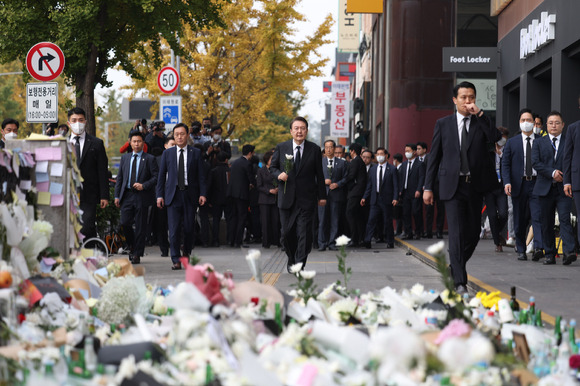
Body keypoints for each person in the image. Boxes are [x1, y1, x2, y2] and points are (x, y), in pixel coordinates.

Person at [424, 81, 501, 294]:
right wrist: (427, 187)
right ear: (455, 100)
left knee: (474, 233)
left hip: (474, 186)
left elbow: (495, 138)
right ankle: (460, 281)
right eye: (464, 97)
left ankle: (453, 268)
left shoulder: (480, 122)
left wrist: (481, 114)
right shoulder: (443, 124)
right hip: (452, 186)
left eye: (472, 97)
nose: (468, 101)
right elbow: (434, 157)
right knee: (456, 234)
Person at [270, 116, 326, 272]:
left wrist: (322, 196)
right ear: (291, 131)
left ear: (306, 131)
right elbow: (272, 168)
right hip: (286, 198)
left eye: (302, 128)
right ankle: (292, 258)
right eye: (296, 128)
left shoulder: (314, 149)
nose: (299, 131)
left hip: (306, 199)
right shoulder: (282, 147)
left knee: (304, 234)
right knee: (287, 234)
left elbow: (319, 174)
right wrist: (279, 175)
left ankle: (299, 263)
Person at [156, 123, 207, 270]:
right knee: (174, 229)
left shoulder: (195, 153)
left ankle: (186, 252)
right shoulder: (168, 153)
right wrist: (159, 195)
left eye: (182, 134)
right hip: (173, 195)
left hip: (190, 195)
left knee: (189, 228)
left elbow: (201, 176)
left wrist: (203, 194)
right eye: (176, 134)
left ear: (187, 135)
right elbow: (161, 177)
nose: (179, 137)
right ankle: (176, 259)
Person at [532, 111, 576, 265]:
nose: (554, 126)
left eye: (557, 123)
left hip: (563, 188)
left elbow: (571, 160)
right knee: (546, 222)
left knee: (564, 219)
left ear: (563, 125)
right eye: (551, 123)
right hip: (544, 188)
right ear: (546, 125)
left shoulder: (568, 141)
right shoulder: (538, 142)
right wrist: (552, 173)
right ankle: (549, 253)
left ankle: (569, 252)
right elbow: (536, 163)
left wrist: (564, 177)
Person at [502, 109, 544, 261]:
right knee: (519, 219)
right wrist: (507, 182)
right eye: (523, 120)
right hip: (518, 185)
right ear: (519, 123)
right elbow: (505, 164)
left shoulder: (541, 141)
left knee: (537, 216)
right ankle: (521, 248)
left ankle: (539, 247)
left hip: (537, 184)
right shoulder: (512, 143)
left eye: (529, 120)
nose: (526, 122)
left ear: (534, 122)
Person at [114, 130, 159, 264]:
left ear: (143, 143)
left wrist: (144, 185)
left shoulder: (150, 159)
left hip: (142, 195)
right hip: (127, 195)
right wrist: (117, 196)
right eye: (134, 141)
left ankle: (137, 253)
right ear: (130, 142)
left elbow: (156, 177)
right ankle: (132, 246)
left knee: (140, 226)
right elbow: (120, 178)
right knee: (124, 222)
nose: (137, 144)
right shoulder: (125, 158)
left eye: (139, 141)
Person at [68, 107, 110, 240]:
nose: (77, 123)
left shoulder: (96, 143)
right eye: (74, 120)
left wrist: (104, 195)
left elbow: (102, 171)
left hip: (89, 194)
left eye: (80, 120)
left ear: (85, 121)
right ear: (69, 123)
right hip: (68, 193)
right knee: (70, 228)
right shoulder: (62, 143)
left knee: (86, 226)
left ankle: (87, 253)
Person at [361, 147, 398, 248]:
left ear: (386, 156)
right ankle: (367, 241)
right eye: (378, 154)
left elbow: (395, 185)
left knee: (387, 221)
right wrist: (364, 197)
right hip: (375, 198)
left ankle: (390, 241)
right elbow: (369, 185)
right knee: (371, 220)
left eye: (381, 154)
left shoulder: (392, 169)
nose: (379, 156)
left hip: (387, 199)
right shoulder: (373, 169)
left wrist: (395, 198)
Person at [318, 140, 349, 251]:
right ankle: (321, 243)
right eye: (326, 147)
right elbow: (314, 178)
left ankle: (332, 243)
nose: (328, 149)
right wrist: (323, 182)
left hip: (336, 195)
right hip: (322, 196)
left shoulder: (342, 163)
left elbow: (346, 178)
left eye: (331, 147)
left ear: (334, 148)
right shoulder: (319, 162)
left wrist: (337, 184)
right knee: (322, 221)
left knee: (334, 221)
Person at [484, 127, 509, 252]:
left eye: (504, 137)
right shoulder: (488, 151)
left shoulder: (507, 151)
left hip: (502, 188)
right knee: (492, 215)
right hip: (489, 188)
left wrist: (502, 155)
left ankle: (496, 232)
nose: (501, 139)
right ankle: (497, 242)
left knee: (504, 213)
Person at [227, 144, 256, 248]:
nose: (253, 155)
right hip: (242, 194)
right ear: (249, 153)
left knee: (233, 217)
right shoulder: (247, 164)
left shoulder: (235, 162)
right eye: (253, 153)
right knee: (242, 217)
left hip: (232, 193)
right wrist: (252, 184)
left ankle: (231, 240)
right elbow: (251, 179)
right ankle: (238, 241)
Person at [400, 143, 425, 240]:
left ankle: (419, 232)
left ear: (414, 152)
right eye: (405, 151)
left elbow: (421, 177)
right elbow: (401, 178)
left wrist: (419, 189)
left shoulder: (420, 164)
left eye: (408, 151)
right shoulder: (404, 164)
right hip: (405, 192)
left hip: (415, 192)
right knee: (406, 213)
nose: (406, 153)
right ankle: (408, 233)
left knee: (416, 212)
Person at [206, 151, 232, 247]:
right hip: (228, 198)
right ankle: (229, 239)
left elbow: (209, 186)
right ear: (226, 160)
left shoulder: (213, 171)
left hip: (216, 199)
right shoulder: (229, 171)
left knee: (216, 219)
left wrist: (208, 199)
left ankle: (215, 240)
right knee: (229, 219)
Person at [344, 143, 367, 247]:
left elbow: (351, 176)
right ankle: (358, 238)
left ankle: (354, 239)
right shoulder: (360, 161)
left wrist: (342, 181)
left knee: (350, 214)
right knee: (357, 216)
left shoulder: (356, 161)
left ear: (352, 151)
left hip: (355, 193)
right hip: (358, 192)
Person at [256, 150, 280, 249]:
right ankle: (266, 242)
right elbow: (259, 186)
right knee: (265, 222)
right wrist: (269, 190)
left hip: (275, 199)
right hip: (265, 199)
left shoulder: (277, 170)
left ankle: (277, 241)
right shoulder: (261, 170)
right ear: (267, 160)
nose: (273, 160)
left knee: (276, 221)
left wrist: (278, 188)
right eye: (271, 159)